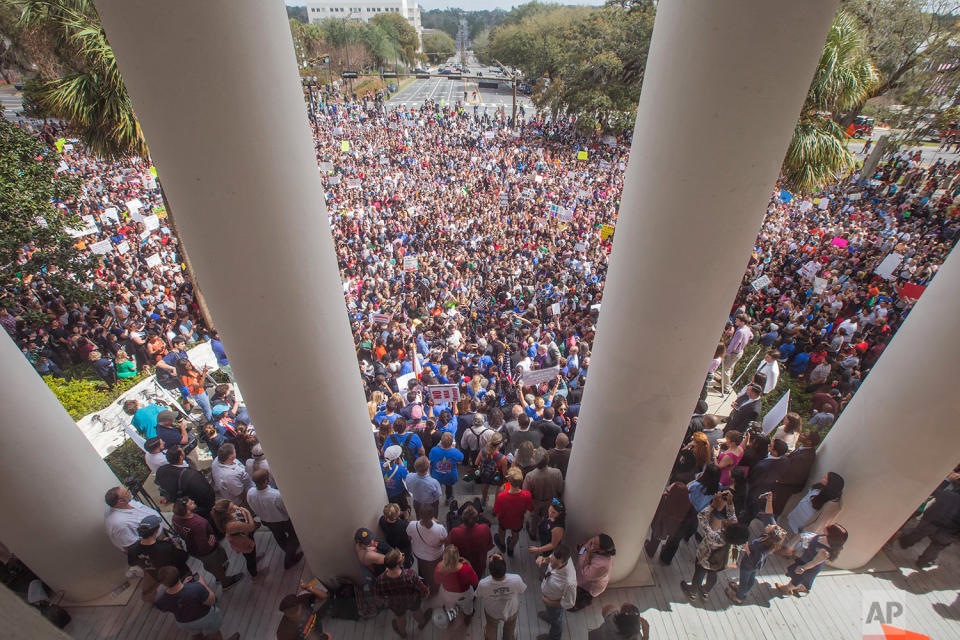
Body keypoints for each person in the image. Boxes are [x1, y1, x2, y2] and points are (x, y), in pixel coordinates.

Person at [680, 491, 751, 601]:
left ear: (727, 529)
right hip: (720, 563)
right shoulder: (737, 540)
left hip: (704, 559)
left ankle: (692, 592)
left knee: (699, 575)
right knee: (712, 575)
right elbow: (732, 515)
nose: (727, 520)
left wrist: (713, 505)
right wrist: (730, 502)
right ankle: (705, 591)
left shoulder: (715, 537)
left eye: (727, 522)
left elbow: (701, 517)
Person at [725, 492, 786, 604]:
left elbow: (755, 560)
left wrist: (747, 548)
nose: (768, 525)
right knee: (751, 579)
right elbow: (769, 515)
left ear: (770, 535)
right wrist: (769, 500)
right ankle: (743, 590)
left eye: (769, 527)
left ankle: (739, 596)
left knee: (745, 581)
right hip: (755, 565)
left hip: (749, 565)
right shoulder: (771, 538)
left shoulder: (763, 548)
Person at [171, 497, 241, 588]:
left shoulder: (175, 518)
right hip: (207, 552)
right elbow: (204, 546)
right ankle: (225, 582)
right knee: (214, 565)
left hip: (192, 548)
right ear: (187, 512)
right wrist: (210, 546)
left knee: (214, 562)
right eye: (191, 504)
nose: (193, 501)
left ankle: (219, 573)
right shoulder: (199, 524)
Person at [154, 566, 239, 640]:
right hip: (205, 618)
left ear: (164, 584)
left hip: (184, 622)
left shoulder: (161, 598)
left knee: (195, 633)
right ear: (178, 575)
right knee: (214, 632)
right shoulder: (196, 588)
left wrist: (183, 586)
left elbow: (166, 606)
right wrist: (203, 584)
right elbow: (211, 600)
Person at [246, 469, 302, 569]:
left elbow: (252, 506)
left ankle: (289, 551)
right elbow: (286, 509)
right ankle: (289, 557)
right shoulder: (276, 495)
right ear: (266, 480)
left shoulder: (250, 493)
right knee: (295, 536)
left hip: (266, 521)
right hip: (282, 521)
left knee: (279, 536)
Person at [127, 515, 190, 602]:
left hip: (156, 574)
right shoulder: (166, 548)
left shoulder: (132, 550)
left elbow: (132, 563)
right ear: (156, 531)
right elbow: (183, 558)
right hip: (176, 574)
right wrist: (175, 546)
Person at [775, 523, 848, 596]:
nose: (826, 525)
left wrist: (803, 568)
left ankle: (786, 589)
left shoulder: (825, 552)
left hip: (809, 566)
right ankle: (802, 588)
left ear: (832, 534)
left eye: (828, 527)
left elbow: (814, 563)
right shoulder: (824, 537)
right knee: (799, 577)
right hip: (805, 559)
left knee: (796, 579)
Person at [374, 548, 431, 638]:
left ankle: (403, 633)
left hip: (395, 604)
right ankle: (422, 623)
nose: (403, 554)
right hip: (412, 600)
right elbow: (422, 589)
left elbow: (379, 595)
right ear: (398, 564)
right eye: (402, 556)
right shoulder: (410, 575)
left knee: (400, 618)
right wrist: (426, 592)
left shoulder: (380, 580)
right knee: (416, 611)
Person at [783, 472, 845, 553]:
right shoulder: (820, 487)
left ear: (831, 484)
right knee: (790, 533)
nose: (822, 478)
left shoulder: (832, 504)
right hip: (797, 516)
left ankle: (792, 551)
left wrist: (805, 530)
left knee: (798, 540)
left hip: (805, 523)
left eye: (825, 478)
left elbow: (818, 524)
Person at [898, 488, 960, 568]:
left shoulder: (948, 494)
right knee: (937, 546)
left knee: (919, 532)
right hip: (950, 530)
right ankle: (922, 562)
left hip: (933, 519)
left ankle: (904, 542)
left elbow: (934, 493)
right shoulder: (948, 494)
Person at [210, 498, 265, 582]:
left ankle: (254, 558)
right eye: (232, 508)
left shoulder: (226, 518)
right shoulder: (231, 525)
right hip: (243, 540)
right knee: (250, 558)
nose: (236, 507)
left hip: (242, 536)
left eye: (234, 505)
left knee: (250, 555)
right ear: (226, 513)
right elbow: (251, 527)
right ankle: (255, 576)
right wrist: (246, 511)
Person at [476, 553, 527, 640]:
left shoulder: (483, 583)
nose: (494, 556)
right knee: (510, 628)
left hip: (492, 611)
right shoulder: (516, 579)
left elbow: (478, 594)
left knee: (491, 627)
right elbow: (522, 590)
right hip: (511, 610)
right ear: (504, 567)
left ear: (491, 571)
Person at [155, 446, 215, 518]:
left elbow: (159, 482)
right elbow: (207, 494)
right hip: (199, 508)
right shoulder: (191, 476)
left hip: (180, 504)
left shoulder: (161, 470)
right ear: (180, 457)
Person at [434, 544, 479, 634]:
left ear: (444, 557)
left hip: (447, 594)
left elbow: (437, 581)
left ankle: (451, 618)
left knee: (449, 607)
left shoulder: (439, 567)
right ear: (458, 556)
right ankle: (467, 619)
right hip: (464, 594)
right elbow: (475, 582)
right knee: (467, 608)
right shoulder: (466, 569)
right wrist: (469, 564)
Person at [104, 485, 165, 550]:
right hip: (157, 542)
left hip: (159, 529)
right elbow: (131, 546)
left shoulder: (125, 502)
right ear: (120, 501)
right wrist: (159, 545)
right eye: (127, 492)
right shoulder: (119, 524)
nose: (129, 492)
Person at [773, 431, 820, 516]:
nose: (801, 434)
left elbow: (794, 475)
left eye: (804, 434)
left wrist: (778, 479)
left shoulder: (805, 457)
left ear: (809, 442)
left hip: (787, 485)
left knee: (777, 504)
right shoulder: (804, 448)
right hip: (783, 481)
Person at [536, 544, 577, 640]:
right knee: (551, 614)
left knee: (556, 622)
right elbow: (550, 559)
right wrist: (543, 559)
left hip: (555, 603)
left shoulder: (569, 582)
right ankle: (549, 616)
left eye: (555, 564)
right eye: (552, 561)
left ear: (564, 563)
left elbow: (569, 603)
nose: (551, 565)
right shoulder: (557, 557)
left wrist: (549, 602)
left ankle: (554, 637)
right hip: (548, 594)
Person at [406, 503, 446, 597]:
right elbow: (443, 541)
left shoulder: (412, 525)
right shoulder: (440, 529)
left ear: (419, 515)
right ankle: (434, 589)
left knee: (423, 571)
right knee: (435, 572)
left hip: (419, 555)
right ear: (432, 515)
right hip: (435, 556)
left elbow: (409, 538)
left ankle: (425, 585)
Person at [523, 449, 564, 539]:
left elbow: (526, 493)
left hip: (535, 501)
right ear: (548, 459)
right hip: (551, 500)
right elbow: (560, 488)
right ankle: (544, 532)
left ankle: (533, 534)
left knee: (533, 518)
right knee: (547, 517)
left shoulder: (530, 476)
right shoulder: (557, 472)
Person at [494, 467, 534, 557]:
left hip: (504, 520)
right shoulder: (526, 495)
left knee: (501, 531)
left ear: (509, 481)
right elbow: (530, 508)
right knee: (515, 535)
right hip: (517, 521)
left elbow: (497, 511)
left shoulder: (501, 496)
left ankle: (502, 545)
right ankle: (511, 549)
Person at [570, 534, 616, 611]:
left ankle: (575, 607)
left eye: (594, 543)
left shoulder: (603, 566)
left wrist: (588, 553)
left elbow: (586, 574)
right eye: (594, 539)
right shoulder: (593, 543)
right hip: (580, 575)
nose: (591, 542)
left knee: (579, 599)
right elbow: (582, 550)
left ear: (601, 550)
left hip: (587, 587)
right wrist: (580, 550)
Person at [448, 504, 494, 578]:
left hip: (462, 567)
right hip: (480, 566)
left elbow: (450, 550)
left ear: (462, 519)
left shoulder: (454, 532)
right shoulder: (485, 529)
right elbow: (489, 546)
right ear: (477, 519)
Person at [210, 443, 252, 508]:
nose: (236, 451)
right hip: (242, 500)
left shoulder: (218, 459)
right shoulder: (229, 476)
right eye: (234, 451)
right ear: (230, 457)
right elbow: (241, 494)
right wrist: (250, 506)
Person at [719, 313, 753, 394]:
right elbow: (751, 336)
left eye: (737, 320)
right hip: (739, 352)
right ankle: (724, 381)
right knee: (730, 368)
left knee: (725, 369)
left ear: (742, 322)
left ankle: (726, 387)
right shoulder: (747, 329)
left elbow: (734, 344)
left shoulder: (740, 331)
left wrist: (726, 353)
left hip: (733, 353)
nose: (735, 321)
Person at [430, 432, 465, 503]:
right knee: (449, 487)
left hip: (437, 475)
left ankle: (435, 499)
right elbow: (461, 458)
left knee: (437, 486)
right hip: (450, 476)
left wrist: (437, 446)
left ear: (441, 442)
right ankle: (448, 498)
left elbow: (431, 458)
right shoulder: (455, 452)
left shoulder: (434, 450)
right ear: (452, 442)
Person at [476, 433, 509, 506]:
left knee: (485, 485)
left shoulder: (483, 451)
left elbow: (476, 462)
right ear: (499, 444)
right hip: (496, 477)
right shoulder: (502, 458)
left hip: (485, 473)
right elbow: (504, 473)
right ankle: (495, 506)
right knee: (500, 487)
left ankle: (484, 500)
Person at [405, 455, 443, 520]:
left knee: (419, 517)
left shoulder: (409, 477)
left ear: (415, 467)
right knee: (432, 518)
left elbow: (409, 489)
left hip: (417, 502)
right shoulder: (434, 482)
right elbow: (438, 495)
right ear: (428, 468)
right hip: (431, 505)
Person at [380, 503, 414, 569]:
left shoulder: (382, 520)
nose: (400, 510)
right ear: (396, 516)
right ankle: (407, 564)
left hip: (392, 542)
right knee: (406, 556)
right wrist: (406, 519)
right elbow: (409, 533)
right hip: (404, 545)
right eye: (399, 510)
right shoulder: (404, 524)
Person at [382, 445, 411, 514]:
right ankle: (405, 517)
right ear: (395, 459)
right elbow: (407, 477)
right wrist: (402, 465)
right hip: (399, 495)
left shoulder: (380, 465)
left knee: (392, 510)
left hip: (387, 494)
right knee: (404, 509)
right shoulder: (400, 469)